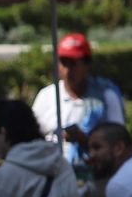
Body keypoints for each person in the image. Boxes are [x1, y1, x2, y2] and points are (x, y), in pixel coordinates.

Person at [31, 32, 125, 165]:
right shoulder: (46, 96)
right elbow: (31, 136)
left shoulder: (106, 96)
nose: (68, 70)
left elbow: (118, 142)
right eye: (64, 62)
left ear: (87, 65)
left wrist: (85, 140)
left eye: (73, 63)